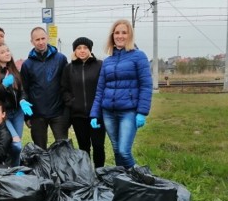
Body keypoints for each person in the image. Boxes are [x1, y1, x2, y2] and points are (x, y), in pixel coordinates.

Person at [90, 19, 153, 168]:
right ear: (112, 36)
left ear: (130, 35)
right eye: (117, 33)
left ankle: (142, 180)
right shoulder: (108, 61)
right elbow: (100, 89)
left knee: (124, 151)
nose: (120, 36)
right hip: (108, 112)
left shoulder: (139, 56)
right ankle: (123, 183)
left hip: (128, 112)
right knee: (117, 150)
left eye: (124, 32)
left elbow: (146, 85)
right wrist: (94, 114)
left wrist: (142, 112)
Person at [20, 26, 69, 149]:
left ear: (47, 38)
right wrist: (27, 116)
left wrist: (67, 111)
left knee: (63, 147)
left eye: (43, 38)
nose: (41, 42)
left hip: (58, 112)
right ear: (32, 42)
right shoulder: (27, 64)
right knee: (40, 149)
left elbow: (67, 84)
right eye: (37, 40)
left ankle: (61, 169)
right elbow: (24, 89)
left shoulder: (61, 59)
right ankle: (42, 169)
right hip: (37, 113)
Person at [61, 36, 106, 168]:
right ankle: (86, 174)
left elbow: (103, 87)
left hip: (96, 114)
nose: (82, 50)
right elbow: (64, 89)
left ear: (90, 50)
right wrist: (72, 102)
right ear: (74, 51)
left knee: (98, 145)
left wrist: (99, 108)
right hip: (78, 116)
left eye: (85, 48)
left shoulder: (100, 65)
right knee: (83, 147)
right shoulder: (68, 68)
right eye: (78, 48)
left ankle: (99, 172)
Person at [0, 42, 25, 166]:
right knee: (16, 143)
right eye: (3, 52)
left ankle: (15, 169)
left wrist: (23, 100)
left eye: (8, 50)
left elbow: (21, 90)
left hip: (18, 113)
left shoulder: (14, 70)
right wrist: (3, 86)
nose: (7, 53)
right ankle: (10, 168)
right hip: (4, 114)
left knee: (16, 145)